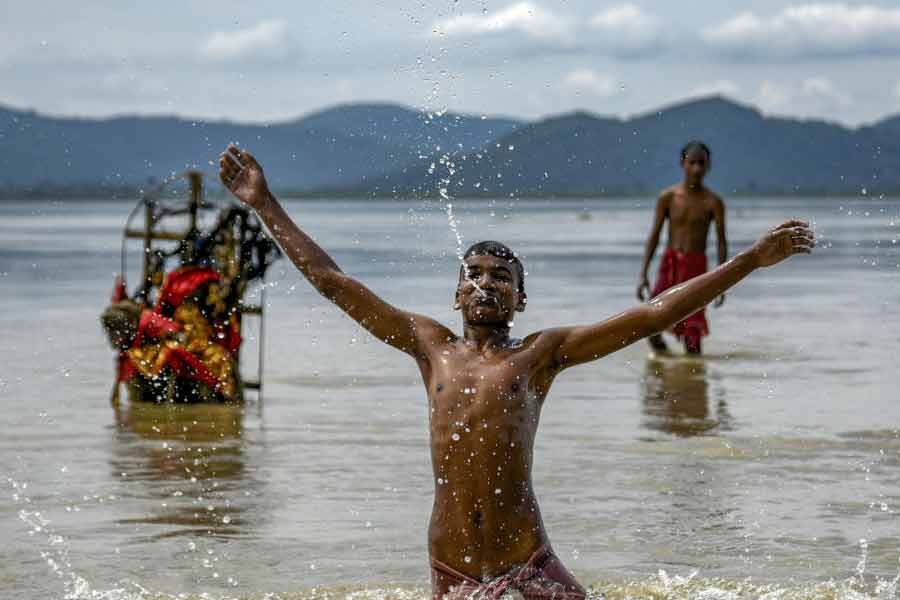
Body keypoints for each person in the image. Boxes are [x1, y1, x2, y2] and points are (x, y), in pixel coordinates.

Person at [218, 145, 814, 600]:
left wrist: (749, 261)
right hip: (452, 569)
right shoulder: (430, 346)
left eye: (501, 277)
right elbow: (332, 283)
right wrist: (265, 203)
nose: (486, 282)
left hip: (526, 563)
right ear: (456, 292)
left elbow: (653, 313)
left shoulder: (539, 355)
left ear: (520, 299)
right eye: (474, 273)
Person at [637, 141, 727, 354]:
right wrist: (643, 273)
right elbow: (655, 235)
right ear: (682, 164)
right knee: (650, 323)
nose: (697, 168)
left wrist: (722, 281)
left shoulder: (713, 202)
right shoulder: (668, 198)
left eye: (701, 163)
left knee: (692, 331)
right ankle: (664, 367)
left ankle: (693, 381)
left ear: (708, 166)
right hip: (670, 264)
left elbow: (722, 241)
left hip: (696, 267)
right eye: (692, 162)